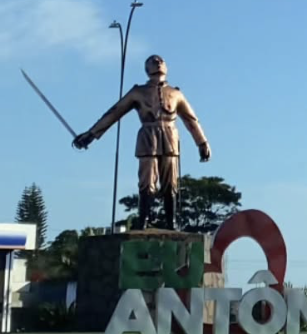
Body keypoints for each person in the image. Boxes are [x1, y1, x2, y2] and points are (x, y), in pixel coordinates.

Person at [73, 55, 211, 230]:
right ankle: (143, 220)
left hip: (170, 138)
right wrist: (91, 134)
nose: (158, 63)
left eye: (161, 61)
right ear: (147, 69)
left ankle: (171, 222)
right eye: (153, 61)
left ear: (166, 67)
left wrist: (202, 143)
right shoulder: (138, 92)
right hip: (148, 138)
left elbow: (191, 120)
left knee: (171, 183)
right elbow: (114, 113)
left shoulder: (176, 94)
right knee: (147, 182)